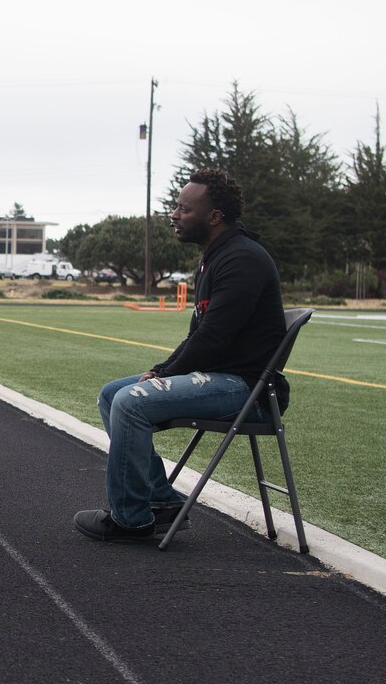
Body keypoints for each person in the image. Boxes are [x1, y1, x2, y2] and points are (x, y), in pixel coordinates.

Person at [76, 168, 289, 542]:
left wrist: (164, 373)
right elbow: (200, 338)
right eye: (176, 207)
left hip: (247, 389)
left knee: (129, 403)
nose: (174, 215)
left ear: (214, 217)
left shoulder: (242, 260)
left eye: (184, 209)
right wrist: (163, 369)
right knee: (112, 394)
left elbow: (213, 339)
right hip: (220, 377)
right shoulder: (216, 256)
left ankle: (130, 519)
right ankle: (160, 500)